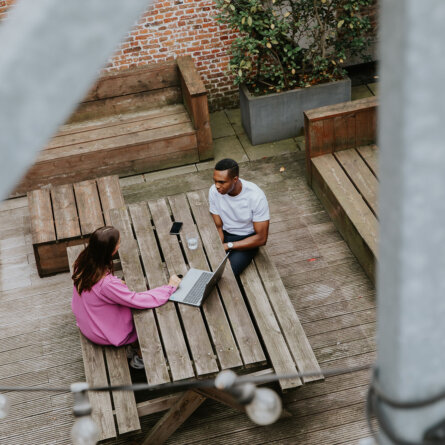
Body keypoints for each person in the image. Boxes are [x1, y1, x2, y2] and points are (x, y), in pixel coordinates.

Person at [71, 226, 181, 369]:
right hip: (101, 332)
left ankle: (135, 349)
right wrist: (170, 287)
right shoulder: (106, 284)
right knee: (149, 315)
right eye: (118, 242)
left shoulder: (83, 260)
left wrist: (115, 283)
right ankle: (141, 357)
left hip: (87, 321)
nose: (119, 244)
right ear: (113, 250)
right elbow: (137, 300)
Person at [209, 158, 270, 277]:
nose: (217, 186)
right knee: (208, 264)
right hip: (225, 234)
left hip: (247, 239)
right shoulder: (214, 191)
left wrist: (228, 246)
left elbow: (261, 238)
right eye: (215, 181)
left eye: (221, 182)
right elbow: (219, 226)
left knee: (227, 274)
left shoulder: (256, 196)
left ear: (235, 179)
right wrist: (218, 250)